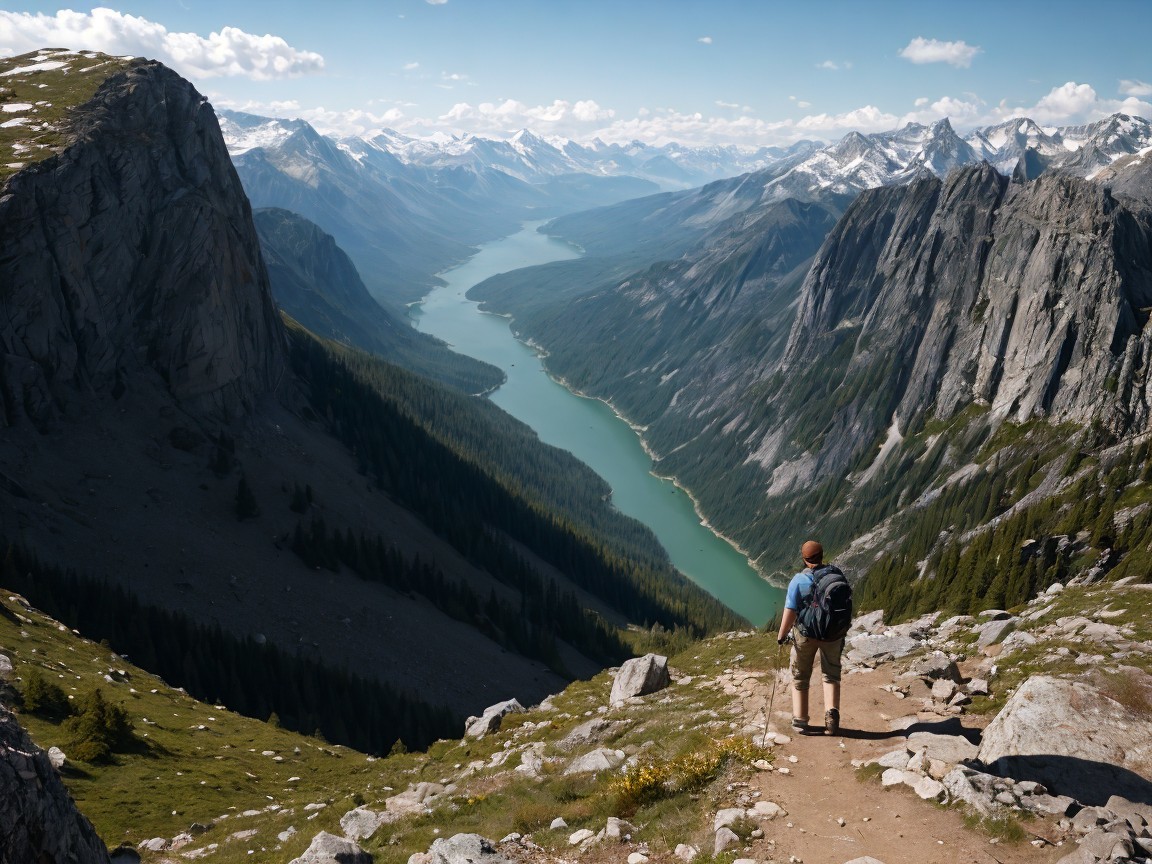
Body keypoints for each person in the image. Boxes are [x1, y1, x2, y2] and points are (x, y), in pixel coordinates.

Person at [775, 539, 843, 735]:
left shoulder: (799, 580)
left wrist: (781, 636)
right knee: (831, 674)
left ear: (804, 559)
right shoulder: (835, 575)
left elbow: (790, 610)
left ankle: (801, 720)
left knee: (800, 676)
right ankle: (831, 713)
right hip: (832, 634)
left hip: (806, 634)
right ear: (822, 556)